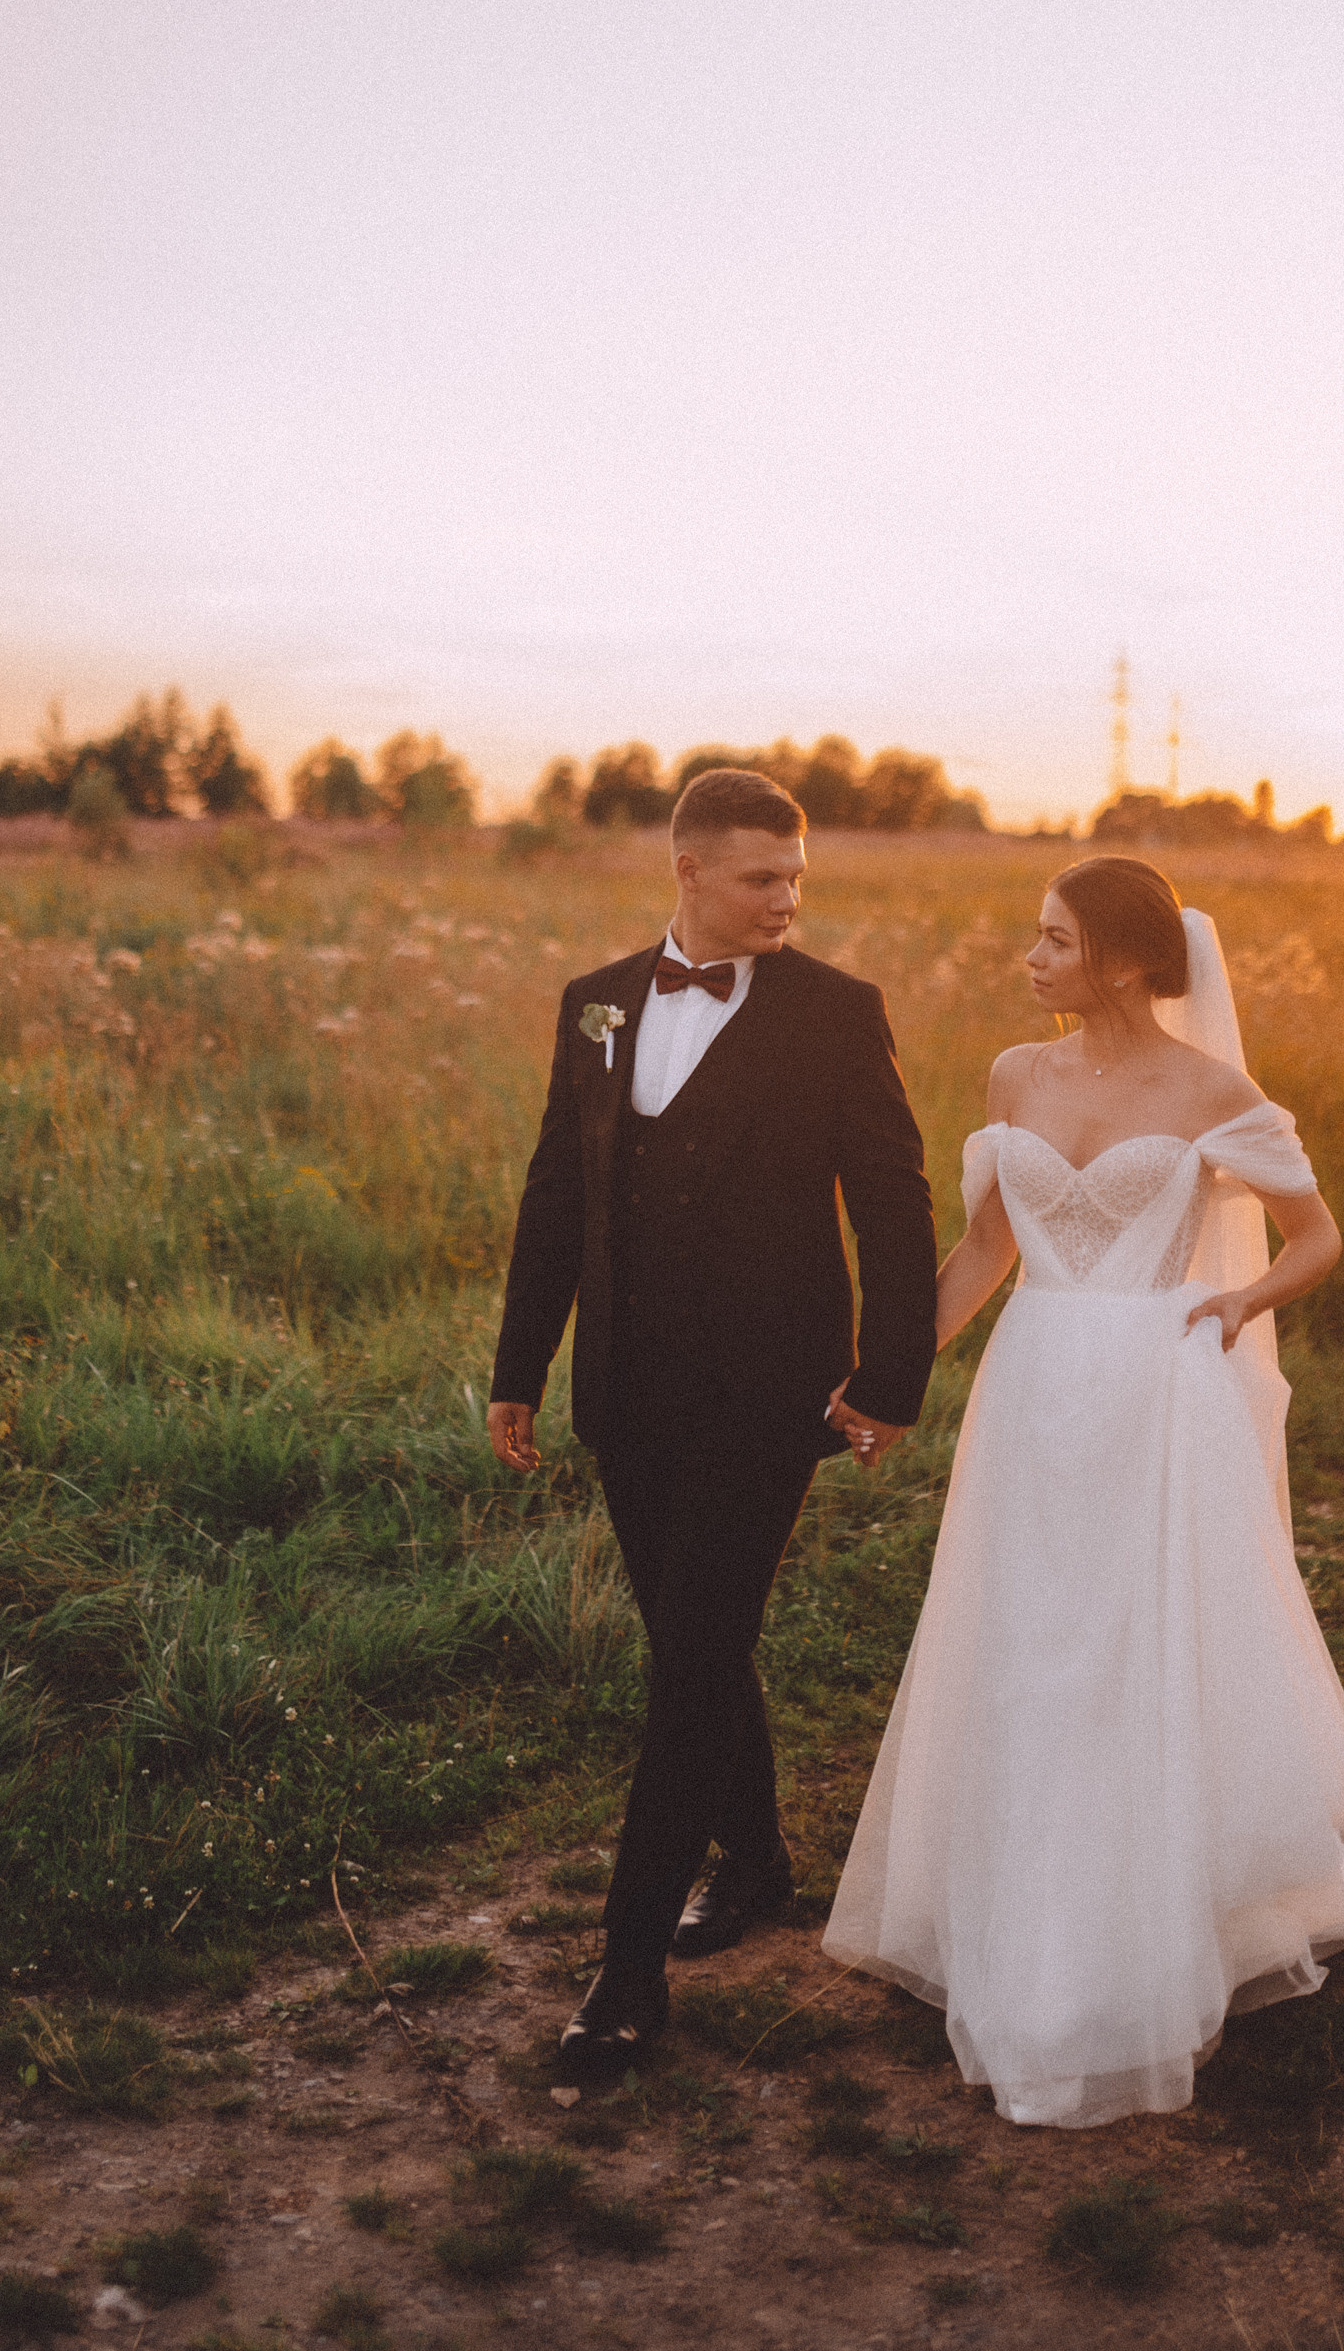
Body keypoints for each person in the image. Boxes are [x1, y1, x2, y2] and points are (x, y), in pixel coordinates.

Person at [824, 856, 1344, 2128]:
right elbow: (988, 1247)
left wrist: (1243, 1298)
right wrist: (889, 1381)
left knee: (1134, 1648)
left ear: (1126, 960)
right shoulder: (1015, 1076)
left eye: (1052, 941)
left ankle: (1140, 1933)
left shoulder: (1214, 1089)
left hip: (1160, 1389)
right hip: (1036, 1388)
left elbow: (1315, 1235)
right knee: (1032, 1646)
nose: (1027, 960)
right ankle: (1024, 1908)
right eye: (1032, 937)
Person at [488, 767, 938, 2083]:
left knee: (686, 1665)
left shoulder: (837, 1016)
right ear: (688, 872)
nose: (787, 900)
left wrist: (891, 1377)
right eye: (761, 879)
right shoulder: (598, 1008)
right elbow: (557, 1196)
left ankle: (627, 1976)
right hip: (627, 1394)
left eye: (798, 879)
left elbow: (898, 1205)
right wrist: (522, 1366)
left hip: (765, 1393)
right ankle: (758, 1861)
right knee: (700, 1633)